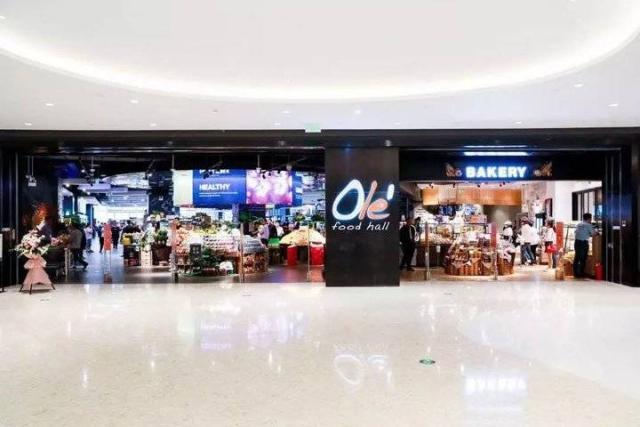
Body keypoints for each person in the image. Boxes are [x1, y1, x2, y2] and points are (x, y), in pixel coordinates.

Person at [574, 213, 596, 278]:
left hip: (577, 242)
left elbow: (576, 232)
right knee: (583, 259)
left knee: (577, 257)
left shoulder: (579, 224)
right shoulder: (588, 225)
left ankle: (575, 273)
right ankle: (581, 273)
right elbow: (593, 233)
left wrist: (587, 234)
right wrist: (596, 232)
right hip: (583, 243)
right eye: (590, 219)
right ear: (589, 218)